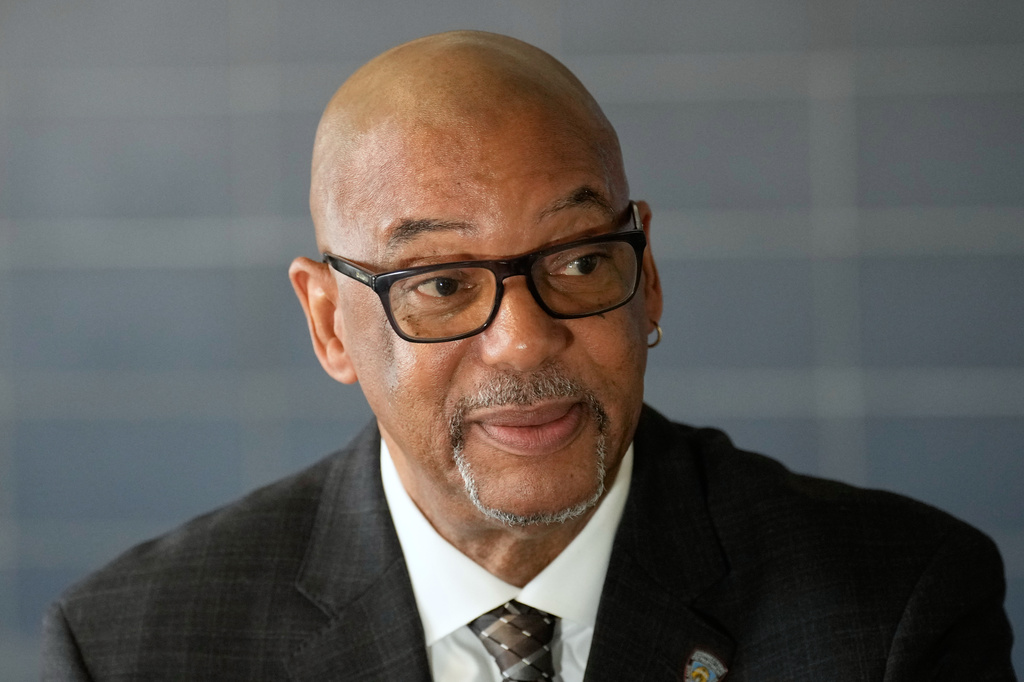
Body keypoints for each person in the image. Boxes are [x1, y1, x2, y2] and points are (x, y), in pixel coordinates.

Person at [42, 30, 1015, 681]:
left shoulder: (892, 611)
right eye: (440, 283)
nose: (522, 337)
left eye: (580, 259)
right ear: (331, 324)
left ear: (651, 278)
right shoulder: (131, 648)